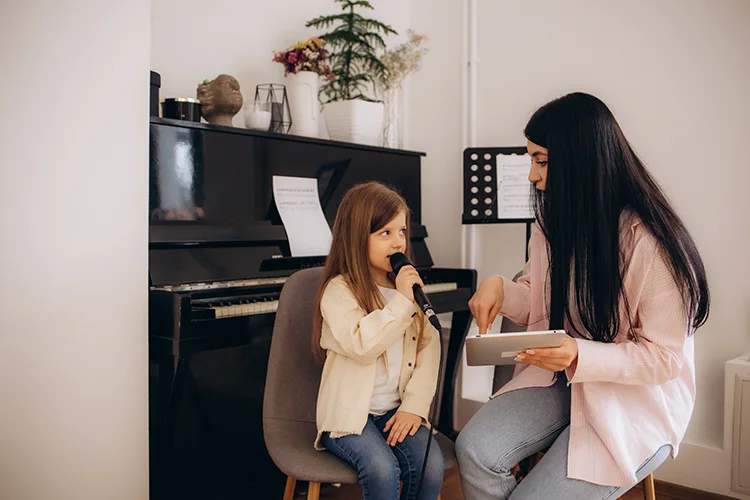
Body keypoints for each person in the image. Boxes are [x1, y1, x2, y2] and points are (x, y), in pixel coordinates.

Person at [456, 92, 710, 499]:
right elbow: (540, 304)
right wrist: (501, 289)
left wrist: (578, 354)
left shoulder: (651, 243)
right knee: (474, 451)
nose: (532, 176)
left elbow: (664, 360)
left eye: (541, 161)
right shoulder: (552, 222)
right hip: (564, 380)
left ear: (578, 160)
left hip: (632, 399)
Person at [312, 181, 445, 500]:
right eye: (384, 233)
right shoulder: (339, 291)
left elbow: (430, 347)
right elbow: (362, 346)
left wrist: (414, 407)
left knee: (431, 466)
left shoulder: (407, 289)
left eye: (401, 231)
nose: (397, 242)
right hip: (348, 415)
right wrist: (401, 302)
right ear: (357, 237)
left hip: (395, 409)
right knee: (381, 470)